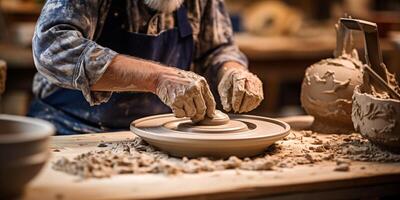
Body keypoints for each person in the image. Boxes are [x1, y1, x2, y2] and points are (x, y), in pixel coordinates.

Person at [28, 0, 264, 135]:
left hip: (158, 133)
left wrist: (232, 71)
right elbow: (52, 47)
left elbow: (217, 49)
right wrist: (158, 78)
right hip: (71, 128)